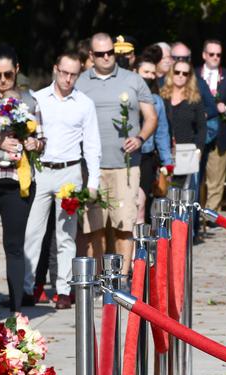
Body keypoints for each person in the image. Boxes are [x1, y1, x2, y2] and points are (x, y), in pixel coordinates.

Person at [24, 51, 100, 309]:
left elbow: (92, 145)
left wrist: (93, 183)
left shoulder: (84, 103)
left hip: (70, 171)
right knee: (32, 232)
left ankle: (64, 289)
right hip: (42, 170)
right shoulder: (37, 99)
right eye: (64, 73)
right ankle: (28, 285)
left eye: (73, 74)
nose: (68, 79)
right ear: (56, 69)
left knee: (66, 235)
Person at [76, 32, 157, 275]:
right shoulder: (80, 82)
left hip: (126, 164)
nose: (107, 57)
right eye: (100, 54)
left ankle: (121, 278)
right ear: (91, 55)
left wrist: (140, 138)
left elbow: (151, 117)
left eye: (110, 52)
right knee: (94, 228)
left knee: (125, 224)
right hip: (92, 167)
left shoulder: (133, 80)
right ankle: (100, 280)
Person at [0, 45, 43, 313]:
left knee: (15, 245)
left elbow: (43, 140)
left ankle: (17, 305)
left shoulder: (30, 102)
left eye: (8, 74)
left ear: (17, 70)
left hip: (18, 181)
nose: (3, 81)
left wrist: (34, 143)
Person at [198, 39, 226, 216]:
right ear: (204, 55)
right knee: (197, 176)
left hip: (221, 132)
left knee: (216, 177)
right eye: (211, 54)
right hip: (198, 133)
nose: (215, 57)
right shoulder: (192, 75)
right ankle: (195, 212)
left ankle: (210, 214)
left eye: (218, 54)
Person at [136, 59, 173, 222]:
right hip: (124, 157)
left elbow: (162, 133)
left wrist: (167, 162)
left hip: (146, 156)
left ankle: (139, 244)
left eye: (153, 73)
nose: (150, 76)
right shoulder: (124, 96)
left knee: (141, 202)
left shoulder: (157, 101)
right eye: (146, 72)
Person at [160, 57, 206, 187]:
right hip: (162, 152)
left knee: (177, 193)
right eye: (177, 72)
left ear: (189, 77)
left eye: (185, 73)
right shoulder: (161, 96)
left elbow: (202, 128)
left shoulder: (195, 99)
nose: (180, 76)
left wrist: (198, 151)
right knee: (159, 193)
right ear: (171, 73)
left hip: (185, 153)